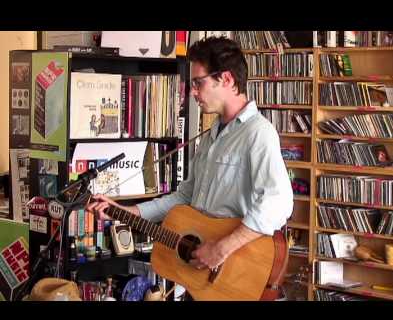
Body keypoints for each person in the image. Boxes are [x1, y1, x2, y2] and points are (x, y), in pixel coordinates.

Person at [86, 36, 294, 296]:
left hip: (234, 273)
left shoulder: (258, 134)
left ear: (226, 79)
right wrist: (128, 212)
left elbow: (279, 203)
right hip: (201, 278)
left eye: (198, 83)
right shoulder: (211, 136)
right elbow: (185, 197)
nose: (192, 92)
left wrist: (220, 249)